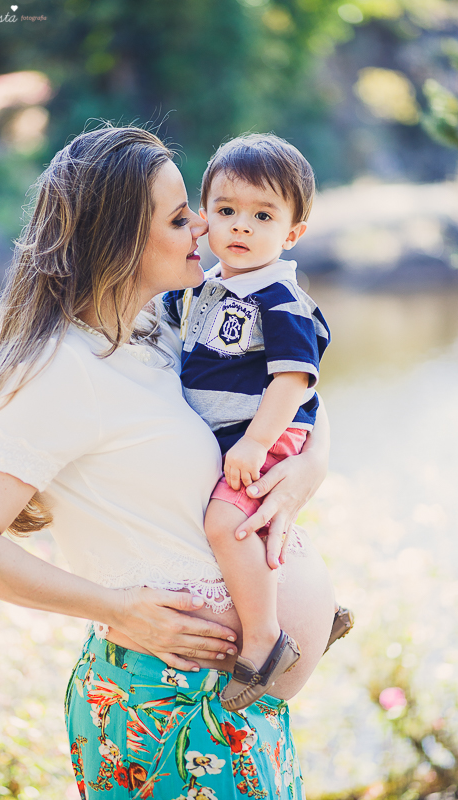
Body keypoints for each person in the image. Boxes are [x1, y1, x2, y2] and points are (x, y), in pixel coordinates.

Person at [0, 125, 335, 800]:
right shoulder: (57, 369)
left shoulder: (157, 330)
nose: (206, 227)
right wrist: (119, 607)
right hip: (165, 707)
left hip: (235, 706)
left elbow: (293, 393)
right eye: (181, 218)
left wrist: (310, 465)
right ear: (120, 239)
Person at [164, 134, 353, 713]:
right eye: (226, 212)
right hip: (235, 432)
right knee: (237, 516)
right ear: (203, 220)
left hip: (263, 430)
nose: (240, 227)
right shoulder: (207, 289)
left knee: (228, 525)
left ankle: (268, 640)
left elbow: (294, 380)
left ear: (292, 233)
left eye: (262, 216)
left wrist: (256, 442)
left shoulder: (279, 297)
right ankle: (316, 609)